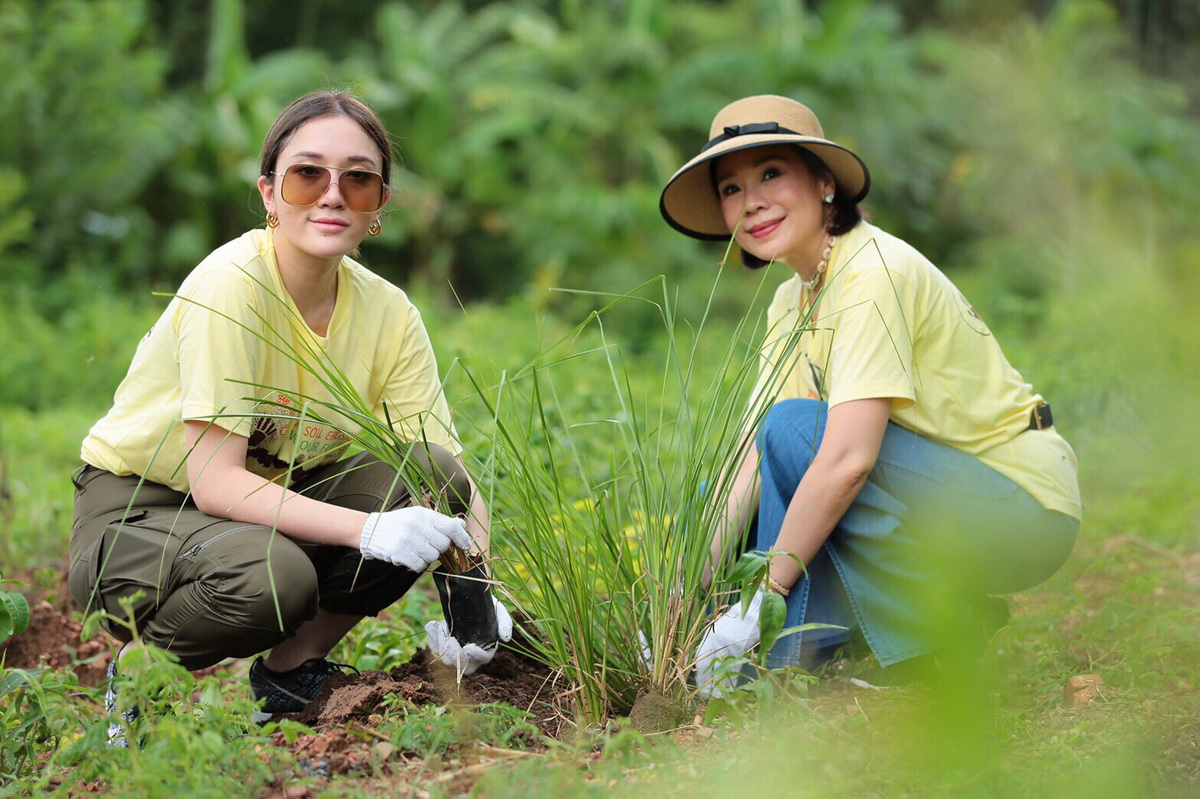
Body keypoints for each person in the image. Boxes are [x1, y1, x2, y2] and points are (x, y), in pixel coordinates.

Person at [68, 90, 512, 746]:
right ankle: (140, 676)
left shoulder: (390, 314)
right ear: (270, 193)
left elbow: (452, 475)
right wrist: (369, 530)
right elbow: (216, 481)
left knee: (429, 473)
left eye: (358, 180)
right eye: (308, 174)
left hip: (263, 506)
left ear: (380, 206)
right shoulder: (233, 286)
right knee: (272, 578)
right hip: (143, 510)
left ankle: (289, 672)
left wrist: (477, 594)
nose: (333, 195)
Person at [659, 95, 1081, 696]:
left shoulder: (872, 272)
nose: (751, 202)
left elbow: (848, 460)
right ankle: (788, 663)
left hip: (1019, 506)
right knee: (740, 481)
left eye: (771, 174)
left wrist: (762, 597)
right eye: (731, 188)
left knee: (801, 437)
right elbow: (751, 463)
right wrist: (681, 595)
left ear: (825, 182)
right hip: (934, 494)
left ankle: (932, 648)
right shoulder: (793, 299)